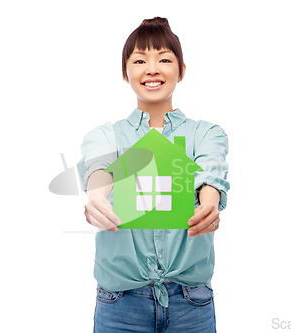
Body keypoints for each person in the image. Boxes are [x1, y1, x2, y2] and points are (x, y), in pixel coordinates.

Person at [77, 17, 229, 333]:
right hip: (120, 305)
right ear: (125, 72)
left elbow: (211, 173)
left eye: (164, 59)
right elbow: (98, 168)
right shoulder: (106, 135)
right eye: (139, 60)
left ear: (181, 69)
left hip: (191, 304)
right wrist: (95, 197)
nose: (152, 69)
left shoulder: (206, 133)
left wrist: (210, 202)